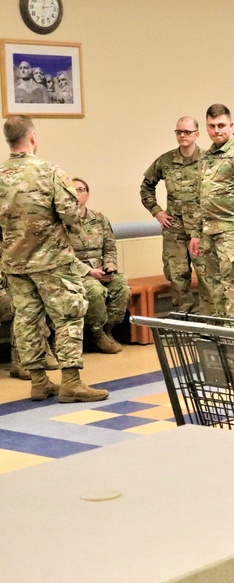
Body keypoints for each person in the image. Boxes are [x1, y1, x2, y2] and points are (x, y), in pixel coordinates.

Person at [0, 115, 108, 403]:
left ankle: (39, 382)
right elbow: (71, 215)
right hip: (52, 261)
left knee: (26, 320)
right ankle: (71, 382)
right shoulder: (49, 172)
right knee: (69, 316)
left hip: (14, 263)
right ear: (33, 137)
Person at [188, 104, 234, 320]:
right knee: (216, 296)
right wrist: (195, 233)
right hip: (209, 235)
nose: (217, 131)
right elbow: (200, 198)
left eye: (221, 125)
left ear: (231, 125)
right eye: (212, 126)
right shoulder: (207, 157)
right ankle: (223, 346)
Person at [140, 117, 205, 313]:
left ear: (196, 134)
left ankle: (210, 320)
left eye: (186, 132)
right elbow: (146, 187)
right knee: (177, 276)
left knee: (206, 275)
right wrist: (157, 211)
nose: (182, 135)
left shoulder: (209, 160)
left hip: (201, 230)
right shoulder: (166, 161)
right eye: (178, 132)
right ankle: (184, 319)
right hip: (174, 229)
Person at [69, 178, 131, 354]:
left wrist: (109, 266)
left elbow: (110, 246)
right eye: (73, 190)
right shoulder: (62, 222)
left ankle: (108, 329)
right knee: (94, 290)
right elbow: (63, 255)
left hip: (100, 270)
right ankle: (96, 333)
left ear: (87, 194)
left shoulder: (99, 219)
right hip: (76, 273)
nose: (78, 193)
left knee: (121, 284)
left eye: (81, 189)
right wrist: (89, 271)